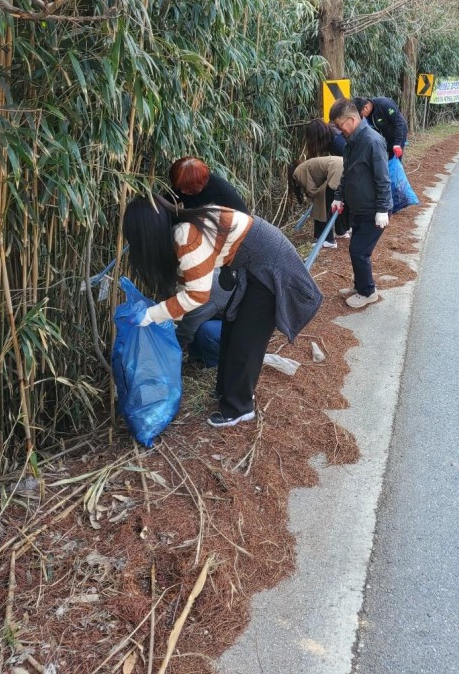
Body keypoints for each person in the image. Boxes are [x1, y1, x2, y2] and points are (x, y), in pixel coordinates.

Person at [123, 197, 322, 427]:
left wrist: (150, 316)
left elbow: (197, 296)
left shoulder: (185, 235)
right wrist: (170, 321)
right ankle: (227, 393)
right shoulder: (182, 226)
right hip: (252, 266)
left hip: (271, 266)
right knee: (232, 325)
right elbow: (185, 283)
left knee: (246, 339)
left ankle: (240, 408)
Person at [328, 98, 392, 309]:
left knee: (358, 252)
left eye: (339, 125)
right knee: (357, 250)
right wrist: (339, 196)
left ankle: (368, 292)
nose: (338, 130)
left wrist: (382, 209)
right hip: (358, 208)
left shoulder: (373, 141)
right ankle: (360, 285)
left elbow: (383, 178)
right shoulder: (351, 143)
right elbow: (347, 174)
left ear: (353, 119)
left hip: (374, 209)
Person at [288, 156, 350, 249]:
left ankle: (328, 240)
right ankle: (341, 232)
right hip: (346, 166)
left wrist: (316, 201)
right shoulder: (309, 164)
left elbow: (312, 190)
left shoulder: (298, 171)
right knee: (337, 203)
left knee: (323, 206)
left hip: (337, 171)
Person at [174, 269, 232, 368]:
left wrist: (168, 350)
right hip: (227, 319)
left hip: (243, 330)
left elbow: (186, 331)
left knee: (206, 330)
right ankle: (196, 360)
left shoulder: (202, 291)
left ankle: (214, 366)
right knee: (198, 322)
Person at [169, 157, 248, 213]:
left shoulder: (224, 191)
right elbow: (164, 204)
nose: (182, 191)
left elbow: (245, 218)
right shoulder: (183, 185)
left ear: (198, 184)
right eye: (180, 187)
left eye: (187, 188)